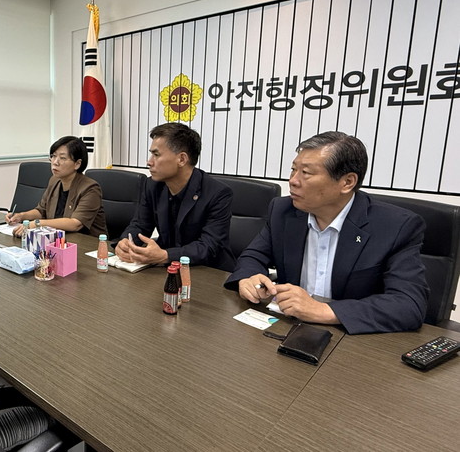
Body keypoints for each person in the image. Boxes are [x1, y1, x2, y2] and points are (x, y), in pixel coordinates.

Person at [224, 131, 429, 334]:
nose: (293, 180)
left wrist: (323, 310)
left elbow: (408, 304)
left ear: (347, 182)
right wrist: (248, 278)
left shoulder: (395, 226)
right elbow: (253, 255)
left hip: (353, 339)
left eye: (306, 173)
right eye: (293, 170)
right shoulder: (283, 211)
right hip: (289, 328)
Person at [114, 123, 236, 271]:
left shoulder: (218, 193)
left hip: (208, 270)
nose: (149, 162)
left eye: (156, 155)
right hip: (168, 268)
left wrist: (165, 255)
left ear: (182, 159)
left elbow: (209, 246)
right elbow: (140, 225)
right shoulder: (151, 185)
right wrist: (126, 242)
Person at [8, 135, 107, 237]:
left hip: (86, 242)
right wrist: (21, 216)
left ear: (77, 164)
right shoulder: (54, 180)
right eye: (54, 156)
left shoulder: (90, 188)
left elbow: (75, 224)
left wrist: (37, 223)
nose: (55, 162)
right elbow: (42, 211)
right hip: (58, 238)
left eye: (62, 158)